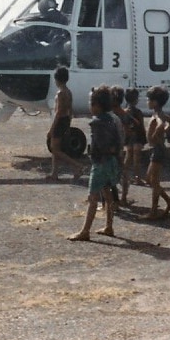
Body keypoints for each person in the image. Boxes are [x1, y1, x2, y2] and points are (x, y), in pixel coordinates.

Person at [68, 85, 121, 241]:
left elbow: (100, 144)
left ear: (97, 105)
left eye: (91, 103)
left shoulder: (97, 122)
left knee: (92, 198)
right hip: (111, 162)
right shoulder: (111, 119)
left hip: (100, 163)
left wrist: (94, 153)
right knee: (108, 194)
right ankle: (109, 226)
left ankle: (85, 231)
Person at [142, 86, 170, 219]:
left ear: (155, 102)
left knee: (152, 180)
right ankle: (169, 202)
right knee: (151, 180)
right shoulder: (159, 113)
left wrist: (158, 133)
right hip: (156, 149)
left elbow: (162, 123)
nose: (147, 102)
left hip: (158, 150)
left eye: (148, 100)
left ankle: (153, 211)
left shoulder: (158, 115)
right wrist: (165, 129)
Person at [45, 67, 84, 182]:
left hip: (60, 121)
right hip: (66, 120)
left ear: (57, 79)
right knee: (56, 149)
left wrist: (51, 129)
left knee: (55, 149)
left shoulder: (61, 93)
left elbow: (59, 112)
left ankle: (77, 165)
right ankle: (54, 173)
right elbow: (70, 110)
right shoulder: (69, 92)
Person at [123, 87, 147, 187]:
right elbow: (141, 126)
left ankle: (124, 176)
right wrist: (144, 139)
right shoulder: (138, 112)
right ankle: (137, 178)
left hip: (129, 138)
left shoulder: (124, 112)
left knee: (128, 158)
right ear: (136, 99)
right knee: (137, 159)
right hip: (137, 138)